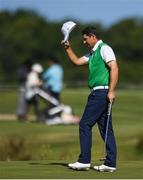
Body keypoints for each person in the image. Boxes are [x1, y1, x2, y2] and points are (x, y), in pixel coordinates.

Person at [62, 26, 118, 172]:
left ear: (93, 36)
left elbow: (114, 68)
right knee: (106, 129)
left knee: (84, 125)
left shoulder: (104, 48)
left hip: (101, 93)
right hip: (100, 93)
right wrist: (68, 48)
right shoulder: (92, 54)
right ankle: (110, 163)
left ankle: (84, 160)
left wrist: (111, 91)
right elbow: (76, 62)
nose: (84, 42)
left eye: (85, 39)